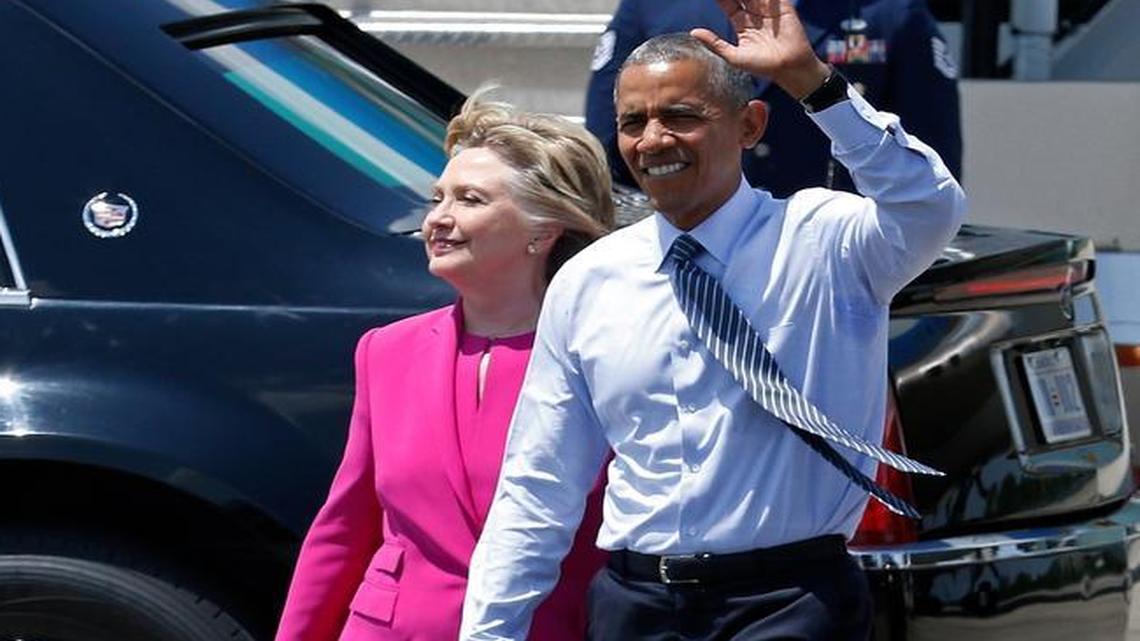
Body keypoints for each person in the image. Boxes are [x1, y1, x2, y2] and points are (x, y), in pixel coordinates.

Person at [461, 1, 966, 639]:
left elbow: (928, 203)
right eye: (633, 122)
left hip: (789, 604)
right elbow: (540, 482)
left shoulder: (824, 240)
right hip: (635, 604)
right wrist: (489, 630)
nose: (653, 141)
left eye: (681, 117)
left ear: (750, 124)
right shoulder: (591, 281)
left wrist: (813, 82)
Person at [274, 93, 614, 641]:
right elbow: (343, 529)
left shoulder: (604, 356)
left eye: (470, 199)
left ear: (543, 229)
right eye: (439, 198)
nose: (439, 219)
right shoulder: (387, 351)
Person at [585, 0, 962, 197]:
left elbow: (930, 152)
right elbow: (611, 132)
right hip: (691, 248)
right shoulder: (656, 5)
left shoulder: (889, 9)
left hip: (830, 259)